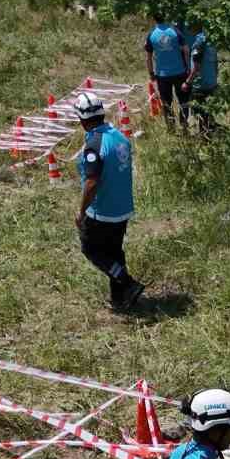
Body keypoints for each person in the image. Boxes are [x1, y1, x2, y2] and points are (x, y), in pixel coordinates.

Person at [73, 91, 143, 312]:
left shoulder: (94, 145)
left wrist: (81, 211)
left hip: (103, 210)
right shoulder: (119, 136)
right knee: (113, 252)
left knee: (91, 249)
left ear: (83, 121)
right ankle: (120, 298)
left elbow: (92, 182)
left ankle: (128, 283)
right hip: (123, 206)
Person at [144, 13, 190, 131]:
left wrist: (151, 73)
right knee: (184, 101)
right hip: (179, 72)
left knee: (166, 103)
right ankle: (184, 126)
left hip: (162, 75)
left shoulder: (151, 35)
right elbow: (186, 50)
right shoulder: (175, 32)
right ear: (165, 18)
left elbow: (148, 58)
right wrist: (188, 67)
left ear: (154, 19)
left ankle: (171, 128)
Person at [183, 20, 218, 135]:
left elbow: (196, 67)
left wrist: (187, 82)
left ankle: (205, 136)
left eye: (189, 27)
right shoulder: (210, 41)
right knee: (208, 110)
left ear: (194, 27)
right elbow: (216, 63)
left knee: (200, 112)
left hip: (200, 85)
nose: (188, 30)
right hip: (211, 82)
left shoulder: (198, 43)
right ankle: (210, 131)